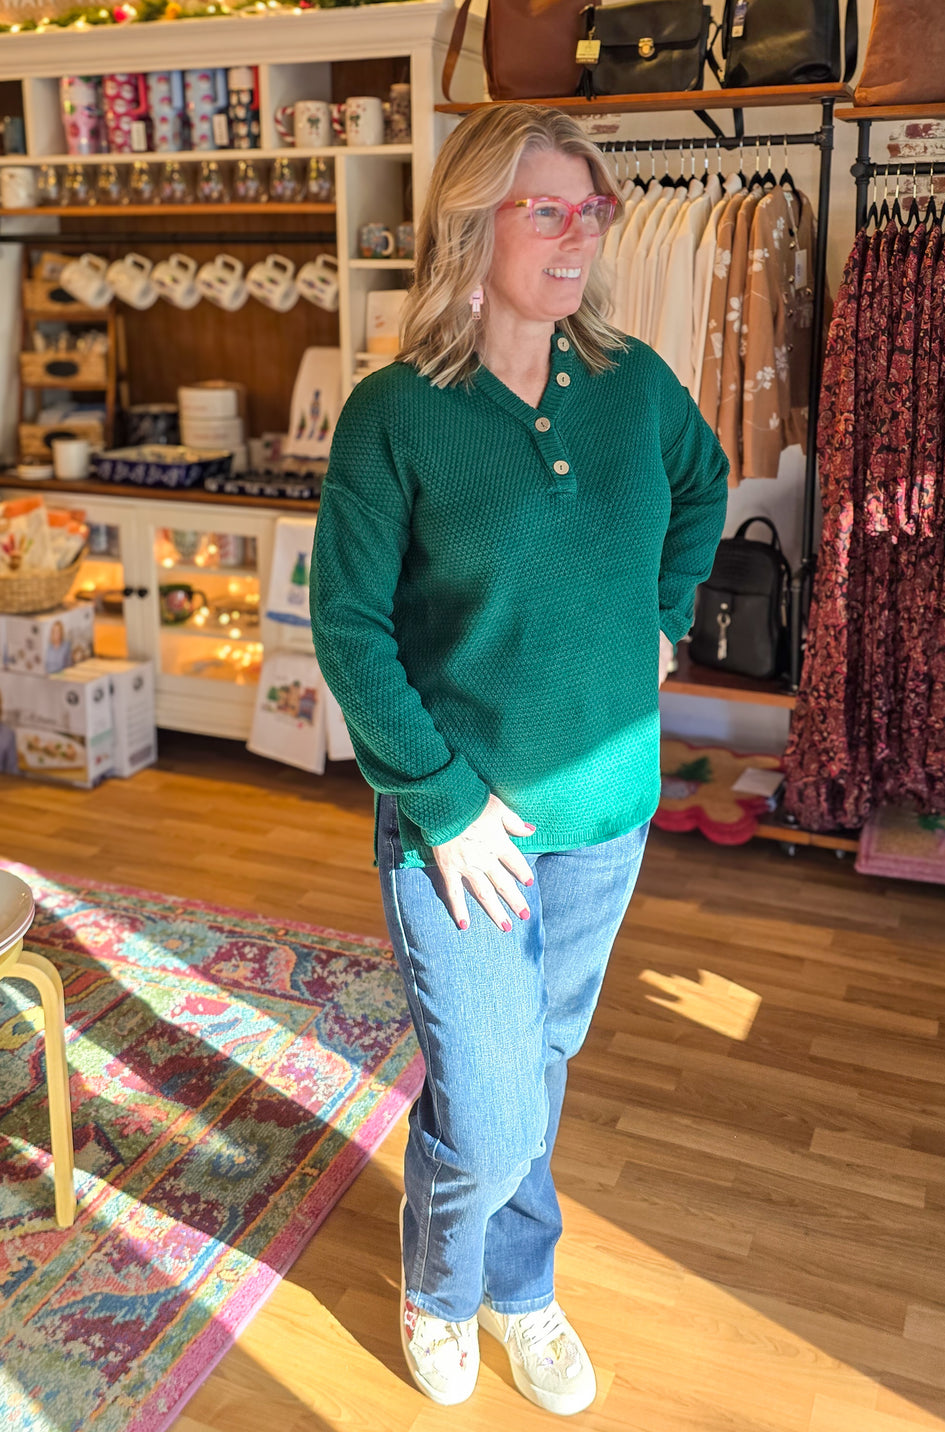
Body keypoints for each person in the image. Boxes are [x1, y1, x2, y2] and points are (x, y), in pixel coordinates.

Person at [310, 103, 728, 1416]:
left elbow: (705, 487)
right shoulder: (393, 417)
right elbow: (349, 627)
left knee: (540, 1064)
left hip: (606, 810)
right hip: (463, 824)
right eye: (545, 208)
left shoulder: (636, 386)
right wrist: (441, 805)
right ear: (472, 221)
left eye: (587, 211)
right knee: (488, 1105)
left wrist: (666, 619)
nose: (577, 236)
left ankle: (522, 1286)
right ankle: (443, 1287)